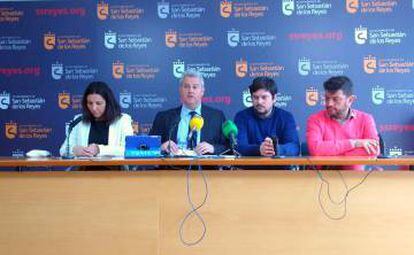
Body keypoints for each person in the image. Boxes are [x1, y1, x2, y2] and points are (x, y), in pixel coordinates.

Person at [306, 76, 379, 169]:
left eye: (335, 99)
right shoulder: (315, 120)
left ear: (350, 100)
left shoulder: (366, 119)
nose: (329, 104)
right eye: (327, 98)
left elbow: (374, 150)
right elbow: (315, 150)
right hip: (322, 179)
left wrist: (330, 153)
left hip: (356, 180)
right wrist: (354, 143)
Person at [149, 70, 227, 155]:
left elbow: (228, 148)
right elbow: (148, 147)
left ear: (202, 91)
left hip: (205, 167)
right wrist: (161, 147)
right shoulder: (163, 117)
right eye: (186, 86)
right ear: (180, 90)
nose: (190, 91)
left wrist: (213, 148)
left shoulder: (217, 117)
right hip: (172, 167)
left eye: (195, 87)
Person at [59, 81, 133, 157]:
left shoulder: (123, 120)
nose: (94, 108)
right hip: (84, 168)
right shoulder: (79, 120)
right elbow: (63, 150)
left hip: (114, 168)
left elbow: (129, 150)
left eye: (98, 103)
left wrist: (99, 149)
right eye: (90, 103)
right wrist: (74, 150)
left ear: (108, 103)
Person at [234, 76, 300, 156]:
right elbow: (238, 147)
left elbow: (295, 147)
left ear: (274, 98)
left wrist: (275, 149)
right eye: (255, 97)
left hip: (280, 167)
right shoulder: (241, 117)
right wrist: (259, 149)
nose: (259, 102)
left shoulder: (286, 117)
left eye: (264, 97)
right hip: (250, 168)